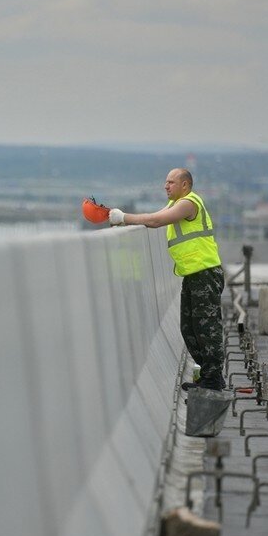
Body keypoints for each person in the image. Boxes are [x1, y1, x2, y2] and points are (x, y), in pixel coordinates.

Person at [108, 168, 226, 391]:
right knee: (189, 328)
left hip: (205, 274)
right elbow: (152, 218)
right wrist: (124, 221)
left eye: (171, 182)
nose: (166, 186)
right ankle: (210, 374)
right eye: (165, 182)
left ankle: (213, 378)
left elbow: (155, 221)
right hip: (192, 275)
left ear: (185, 185)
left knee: (206, 327)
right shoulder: (175, 204)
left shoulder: (189, 203)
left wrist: (122, 218)